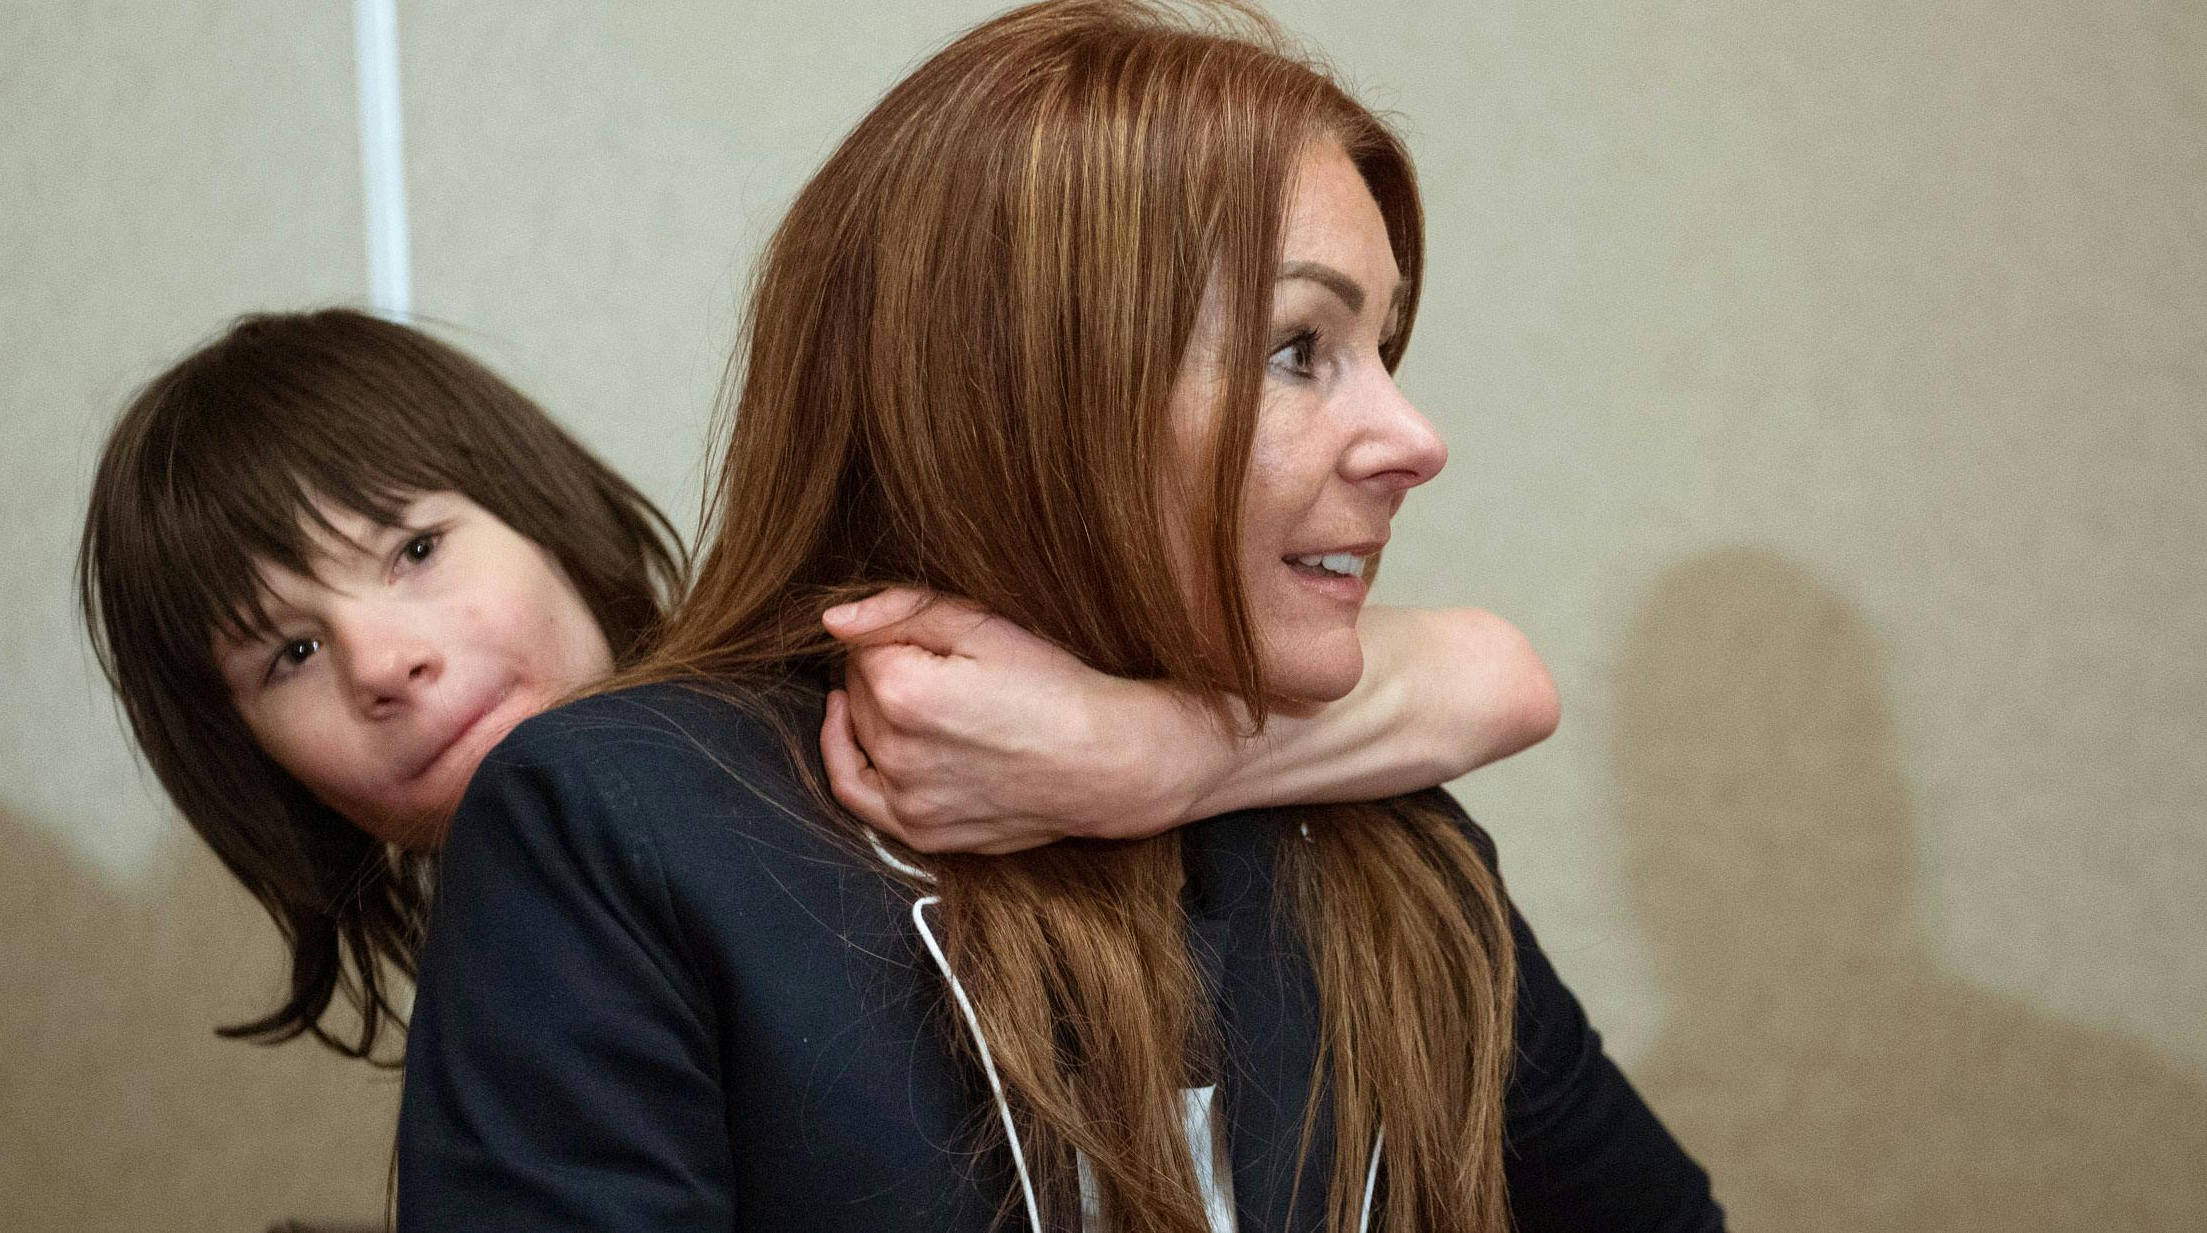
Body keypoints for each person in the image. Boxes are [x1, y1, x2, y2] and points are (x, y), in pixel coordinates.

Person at [397, 0, 1722, 1233]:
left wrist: (1157, 753)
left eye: (1386, 344)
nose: (1413, 437)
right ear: (1023, 387)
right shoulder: (620, 826)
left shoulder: (1390, 841)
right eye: (1297, 348)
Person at [77, 308, 1556, 1062]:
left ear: (543, 507)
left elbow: (1492, 676)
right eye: (285, 652)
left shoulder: (856, 682)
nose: (384, 662)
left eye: (411, 547)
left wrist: (1158, 746)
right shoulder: (521, 940)